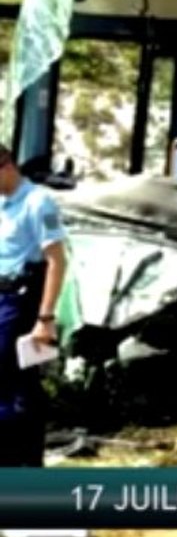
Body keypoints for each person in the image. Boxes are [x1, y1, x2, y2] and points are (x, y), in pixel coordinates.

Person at [0, 143, 67, 467]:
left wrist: (46, 317)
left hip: (21, 299)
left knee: (14, 382)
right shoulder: (2, 203)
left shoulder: (41, 203)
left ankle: (19, 463)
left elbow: (57, 261)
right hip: (1, 298)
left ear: (6, 166)